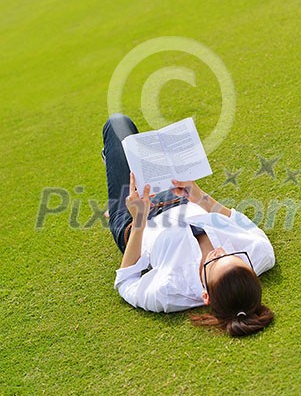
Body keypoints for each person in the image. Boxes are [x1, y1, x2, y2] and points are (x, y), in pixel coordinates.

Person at [102, 113, 275, 337]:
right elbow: (237, 221)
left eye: (213, 262)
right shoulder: (260, 254)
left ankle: (116, 201)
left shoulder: (170, 291)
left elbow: (125, 280)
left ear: (206, 296)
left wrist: (138, 219)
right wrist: (198, 195)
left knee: (117, 124)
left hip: (136, 219)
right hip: (181, 197)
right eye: (233, 256)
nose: (219, 251)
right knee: (149, 147)